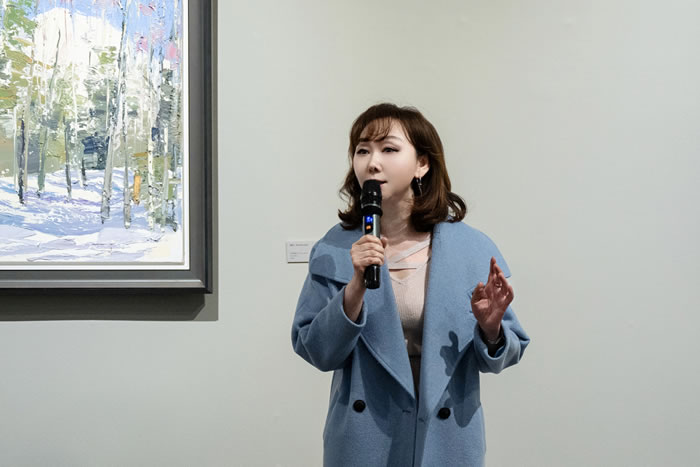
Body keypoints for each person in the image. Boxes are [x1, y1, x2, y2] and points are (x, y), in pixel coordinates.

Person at [291, 103, 529, 467]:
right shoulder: (335, 248)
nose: (372, 163)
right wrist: (355, 288)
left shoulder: (470, 248)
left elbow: (505, 355)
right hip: (366, 438)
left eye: (389, 149)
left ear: (422, 164)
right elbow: (316, 351)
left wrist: (491, 329)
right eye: (362, 150)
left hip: (446, 438)